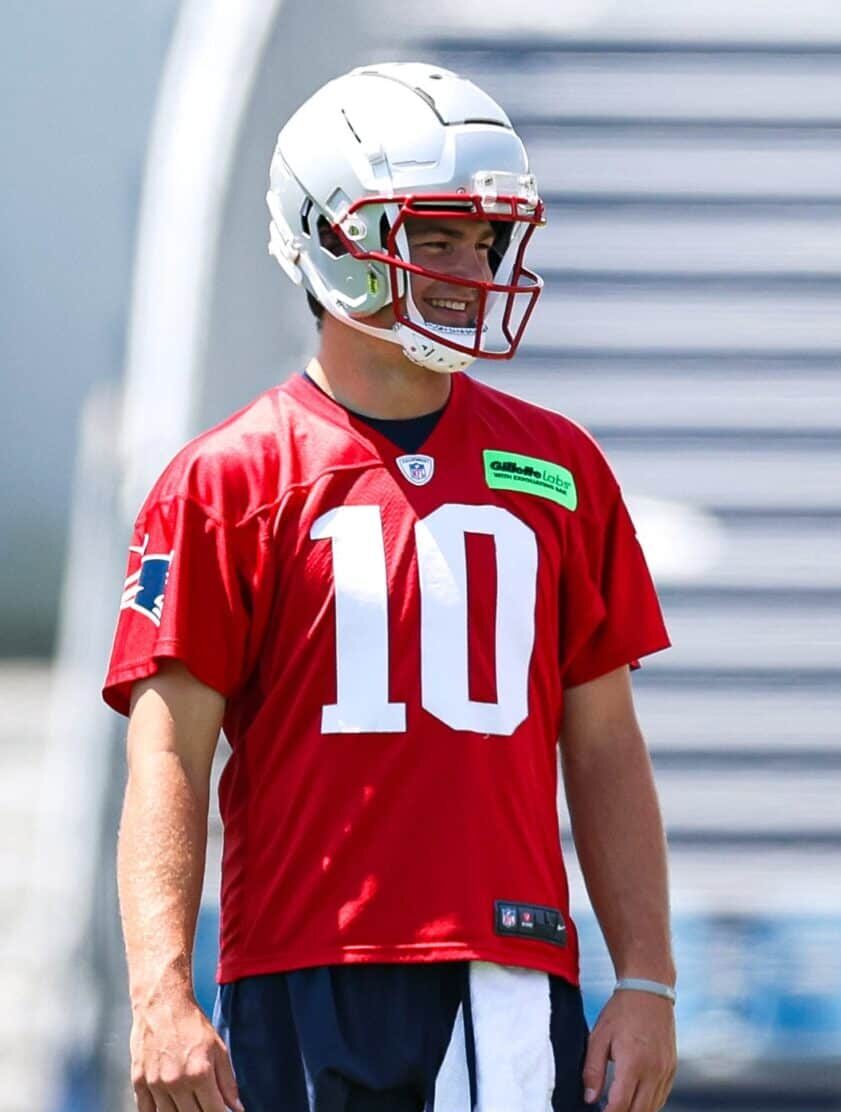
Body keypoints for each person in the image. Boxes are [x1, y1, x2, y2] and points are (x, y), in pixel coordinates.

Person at [106, 63, 677, 1112]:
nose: (469, 267)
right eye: (434, 236)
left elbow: (604, 742)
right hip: (297, 959)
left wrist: (645, 974)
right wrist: (159, 987)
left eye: (483, 239)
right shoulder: (230, 477)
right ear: (331, 236)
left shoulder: (562, 469)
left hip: (506, 958)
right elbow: (167, 749)